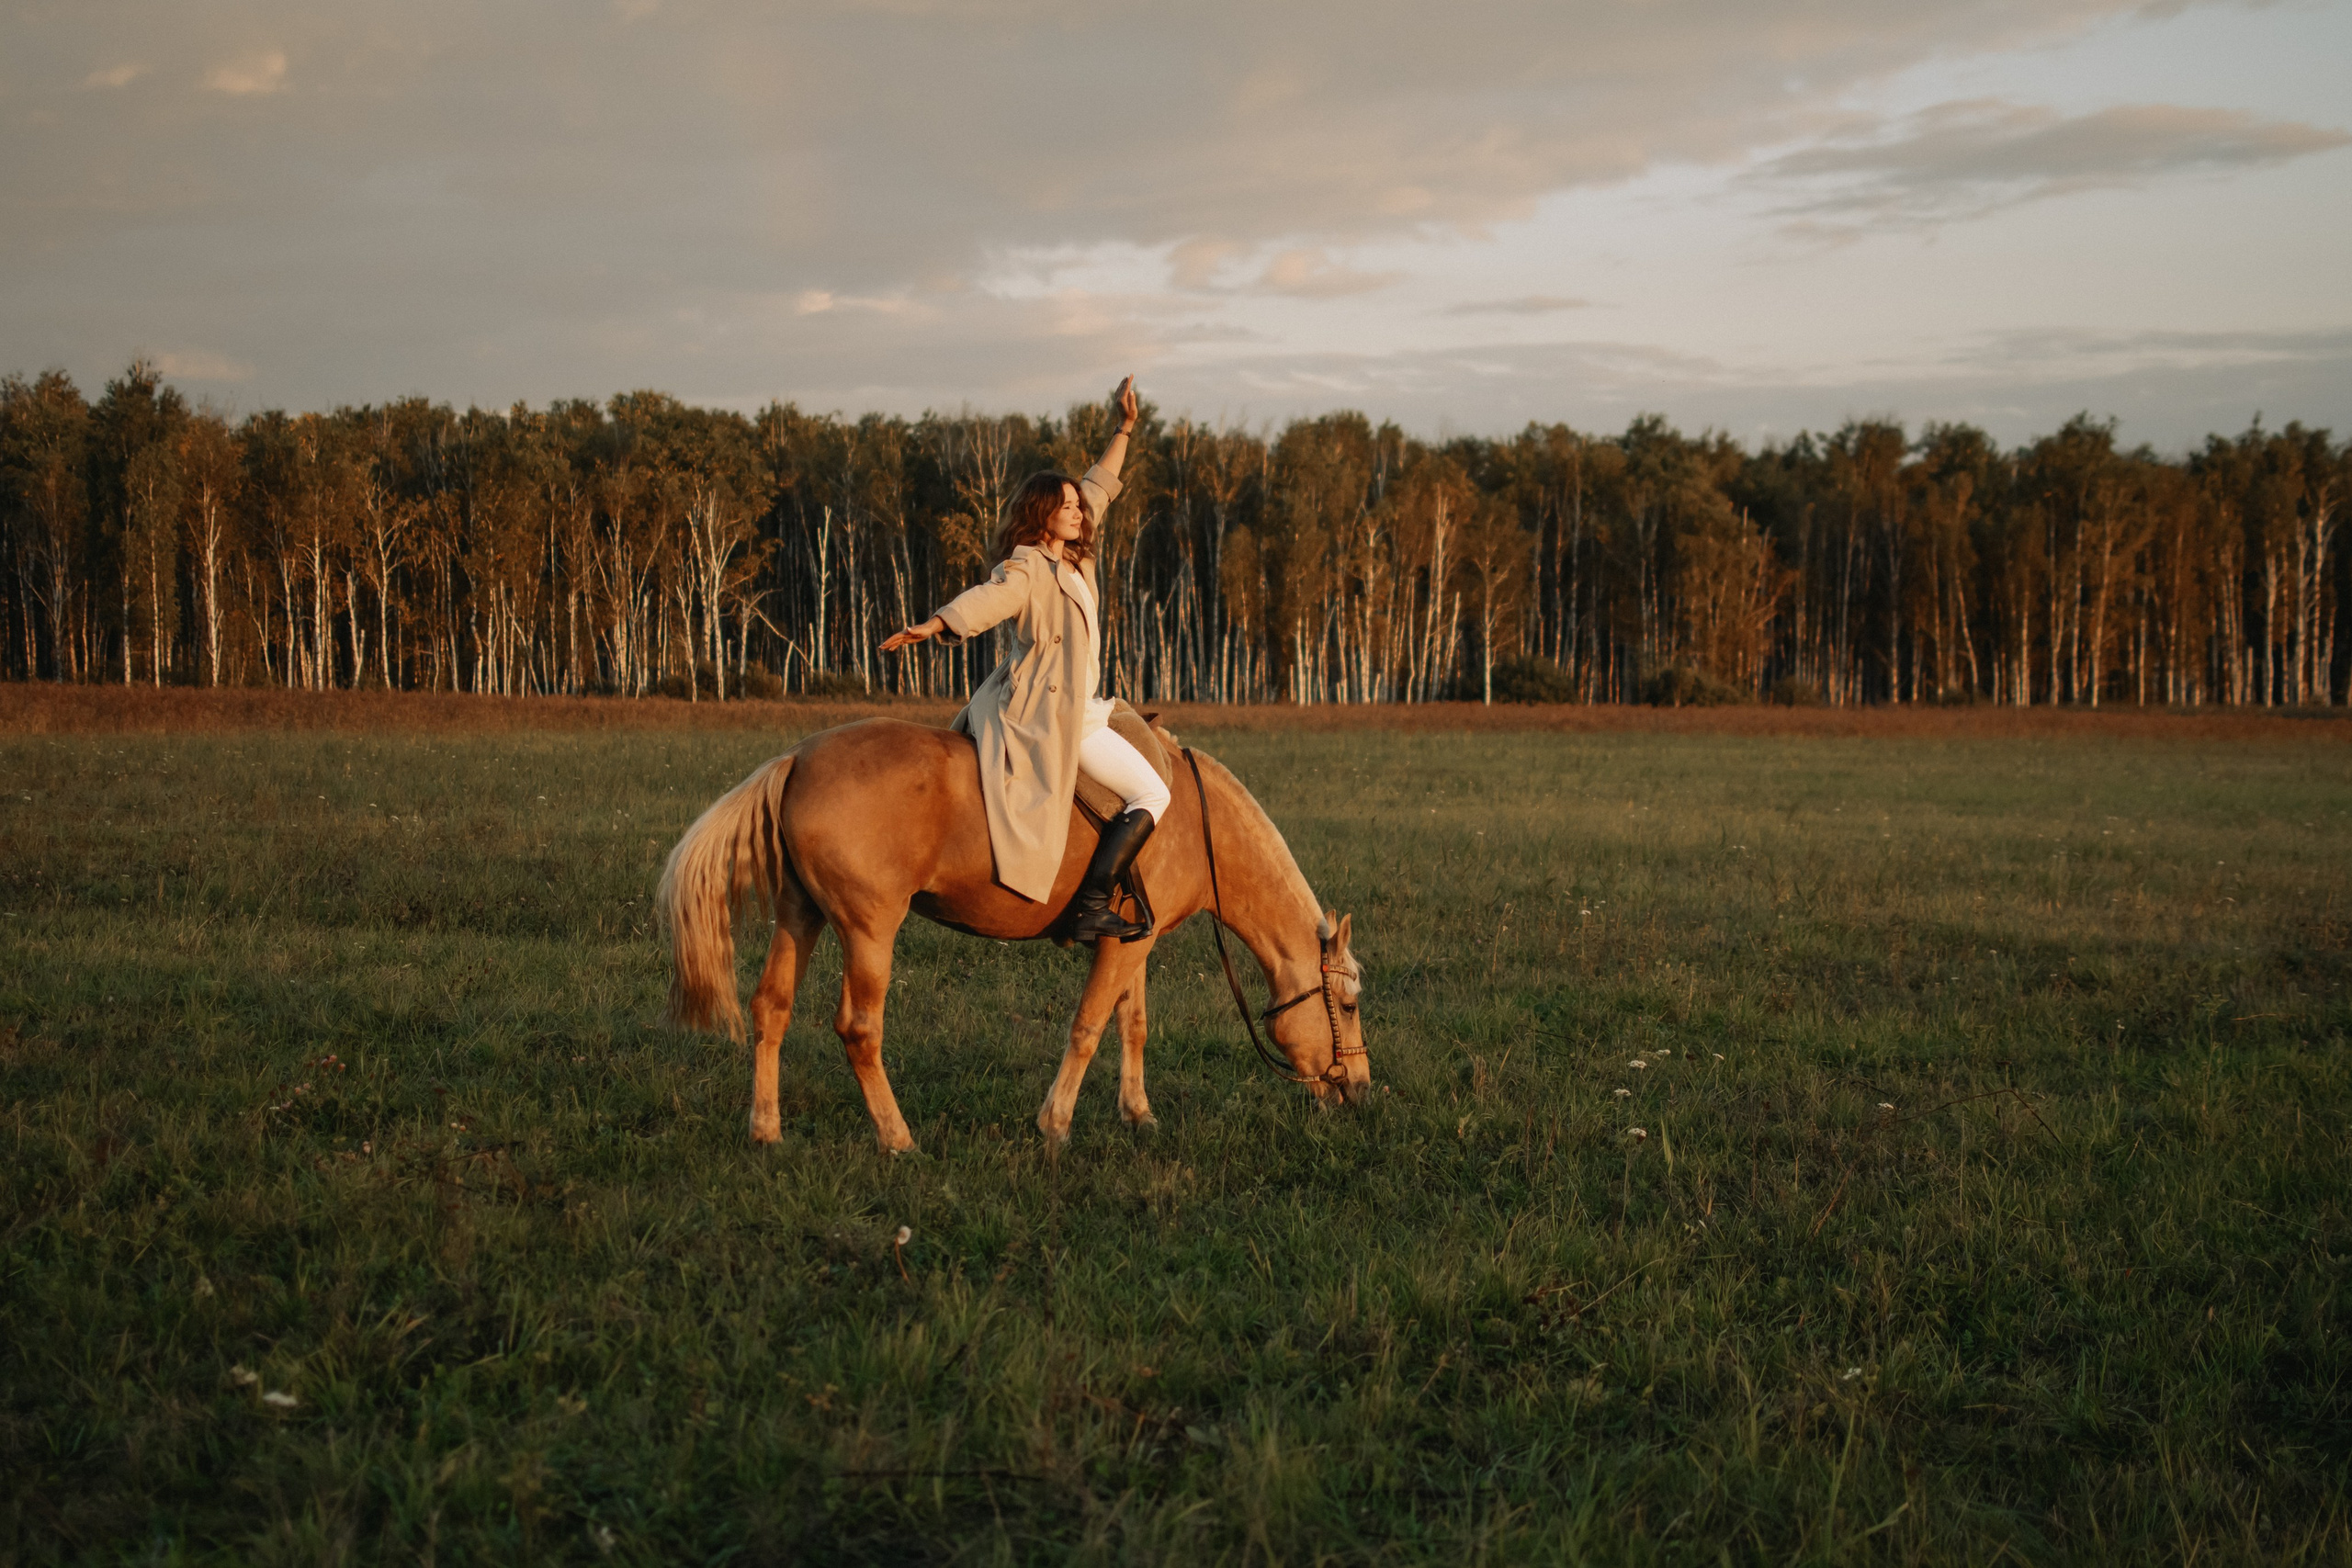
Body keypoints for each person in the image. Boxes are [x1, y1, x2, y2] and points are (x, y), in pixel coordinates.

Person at [880, 376, 1171, 942]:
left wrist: (1125, 428)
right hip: (1051, 712)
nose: (1078, 511)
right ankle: (1091, 905)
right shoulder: (1029, 566)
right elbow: (990, 599)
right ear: (1043, 515)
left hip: (1082, 705)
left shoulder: (1075, 559)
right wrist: (938, 623)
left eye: (1077, 506)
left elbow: (1100, 486)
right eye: (1066, 507)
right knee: (1153, 792)